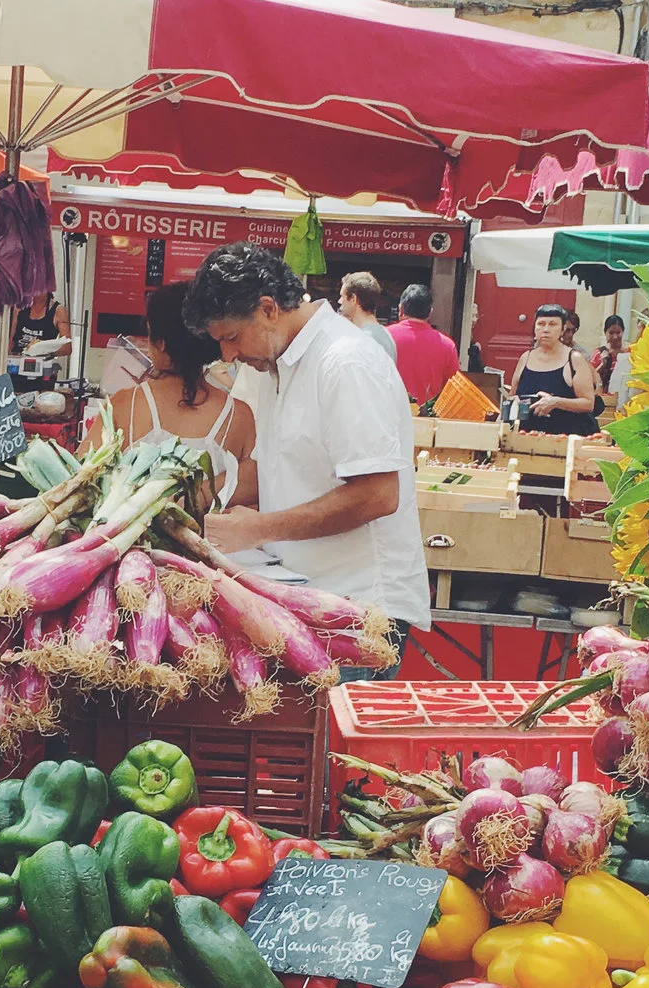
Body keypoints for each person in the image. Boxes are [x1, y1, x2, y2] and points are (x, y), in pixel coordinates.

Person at [186, 243, 431, 674]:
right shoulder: (277, 364)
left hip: (358, 610)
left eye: (230, 338)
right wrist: (189, 498)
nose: (227, 355)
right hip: (305, 597)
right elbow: (273, 467)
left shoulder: (345, 362)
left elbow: (377, 494)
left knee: (331, 742)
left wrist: (256, 528)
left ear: (267, 309)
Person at [101, 281, 259, 507]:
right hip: (212, 540)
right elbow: (255, 485)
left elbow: (81, 474)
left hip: (126, 541)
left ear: (161, 343)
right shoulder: (239, 415)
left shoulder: (124, 405)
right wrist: (200, 495)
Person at [513, 303, 598, 434]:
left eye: (553, 324)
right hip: (528, 436)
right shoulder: (525, 358)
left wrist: (555, 402)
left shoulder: (574, 359)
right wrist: (516, 402)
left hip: (566, 436)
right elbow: (513, 395)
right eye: (541, 324)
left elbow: (588, 403)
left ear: (563, 329)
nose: (546, 329)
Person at [387, 282, 459, 406]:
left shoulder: (385, 337)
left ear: (401, 309)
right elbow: (452, 390)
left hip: (387, 415)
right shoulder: (447, 346)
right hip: (426, 420)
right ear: (430, 312)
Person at [338, 272, 398, 365]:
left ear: (353, 299)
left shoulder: (363, 339)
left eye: (342, 296)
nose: (340, 301)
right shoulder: (386, 335)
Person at [593, 313, 632, 416]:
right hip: (605, 402)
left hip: (626, 400)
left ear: (623, 331)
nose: (615, 337)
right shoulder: (599, 353)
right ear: (605, 332)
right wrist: (602, 365)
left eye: (618, 332)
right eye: (611, 332)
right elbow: (588, 378)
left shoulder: (631, 351)